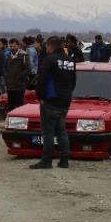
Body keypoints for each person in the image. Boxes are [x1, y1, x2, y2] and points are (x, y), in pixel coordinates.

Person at [30, 36, 76, 169]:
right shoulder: (70, 60)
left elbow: (41, 80)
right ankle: (64, 160)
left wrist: (40, 96)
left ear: (50, 46)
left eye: (47, 46)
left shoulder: (49, 59)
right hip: (65, 100)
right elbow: (73, 81)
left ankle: (47, 161)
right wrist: (67, 95)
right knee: (62, 131)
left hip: (50, 100)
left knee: (48, 132)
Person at [4, 38, 30, 112]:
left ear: (18, 46)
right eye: (11, 46)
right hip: (10, 85)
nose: (12, 48)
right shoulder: (8, 56)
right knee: (10, 105)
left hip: (19, 85)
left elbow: (28, 69)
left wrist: (19, 76)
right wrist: (6, 76)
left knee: (19, 105)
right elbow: (5, 68)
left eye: (14, 46)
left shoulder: (24, 56)